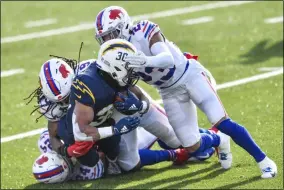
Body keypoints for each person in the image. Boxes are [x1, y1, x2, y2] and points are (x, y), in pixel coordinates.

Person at [93, 6, 277, 178]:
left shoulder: (143, 31)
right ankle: (219, 140)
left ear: (124, 27)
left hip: (189, 75)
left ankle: (264, 161)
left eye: (111, 35)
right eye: (103, 38)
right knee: (191, 145)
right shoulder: (116, 54)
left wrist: (145, 61)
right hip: (168, 91)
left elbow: (167, 59)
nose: (108, 42)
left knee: (221, 121)